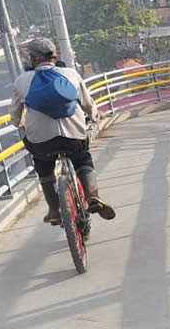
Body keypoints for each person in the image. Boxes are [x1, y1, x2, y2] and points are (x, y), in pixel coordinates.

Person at [11, 38, 115, 225]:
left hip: (41, 142)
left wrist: (18, 123)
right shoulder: (70, 74)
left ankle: (54, 210)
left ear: (32, 58)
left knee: (43, 166)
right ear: (54, 56)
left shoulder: (22, 81)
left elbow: (15, 115)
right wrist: (95, 116)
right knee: (82, 159)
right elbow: (87, 104)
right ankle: (92, 195)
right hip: (73, 137)